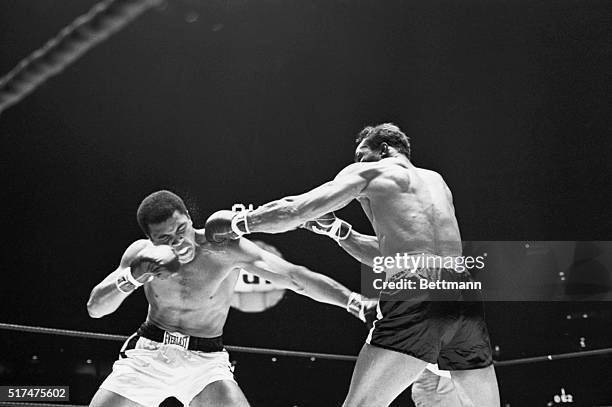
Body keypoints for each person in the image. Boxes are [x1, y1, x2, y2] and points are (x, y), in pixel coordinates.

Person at [205, 123, 500, 406]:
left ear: (383, 149)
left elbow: (297, 209)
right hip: (464, 292)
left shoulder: (370, 171)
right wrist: (338, 231)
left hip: (417, 292)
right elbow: (396, 257)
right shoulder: (437, 181)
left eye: (361, 155)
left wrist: (239, 223)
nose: (357, 162)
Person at [86, 190, 373, 407]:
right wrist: (133, 277)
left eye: (181, 229)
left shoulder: (223, 249)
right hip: (148, 356)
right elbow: (96, 308)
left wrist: (354, 302)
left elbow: (295, 277)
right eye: (165, 239)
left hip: (205, 362)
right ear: (150, 240)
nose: (178, 241)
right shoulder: (139, 254)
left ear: (188, 216)